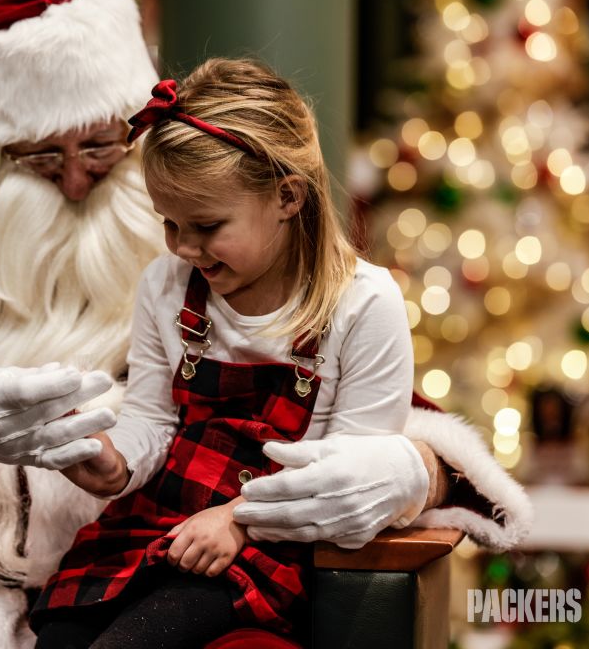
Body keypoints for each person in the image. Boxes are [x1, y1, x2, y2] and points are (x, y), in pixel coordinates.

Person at [0, 0, 532, 649]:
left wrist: (411, 470)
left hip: (188, 563)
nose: (79, 184)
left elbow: (374, 420)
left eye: (99, 149)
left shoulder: (253, 252)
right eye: (41, 158)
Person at [30, 58, 432, 648]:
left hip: (273, 543)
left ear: (288, 196)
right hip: (159, 524)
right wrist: (116, 462)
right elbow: (151, 419)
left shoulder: (363, 306)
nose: (184, 247)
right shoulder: (166, 287)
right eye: (169, 223)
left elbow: (347, 477)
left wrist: (240, 521)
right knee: (59, 635)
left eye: (207, 225)